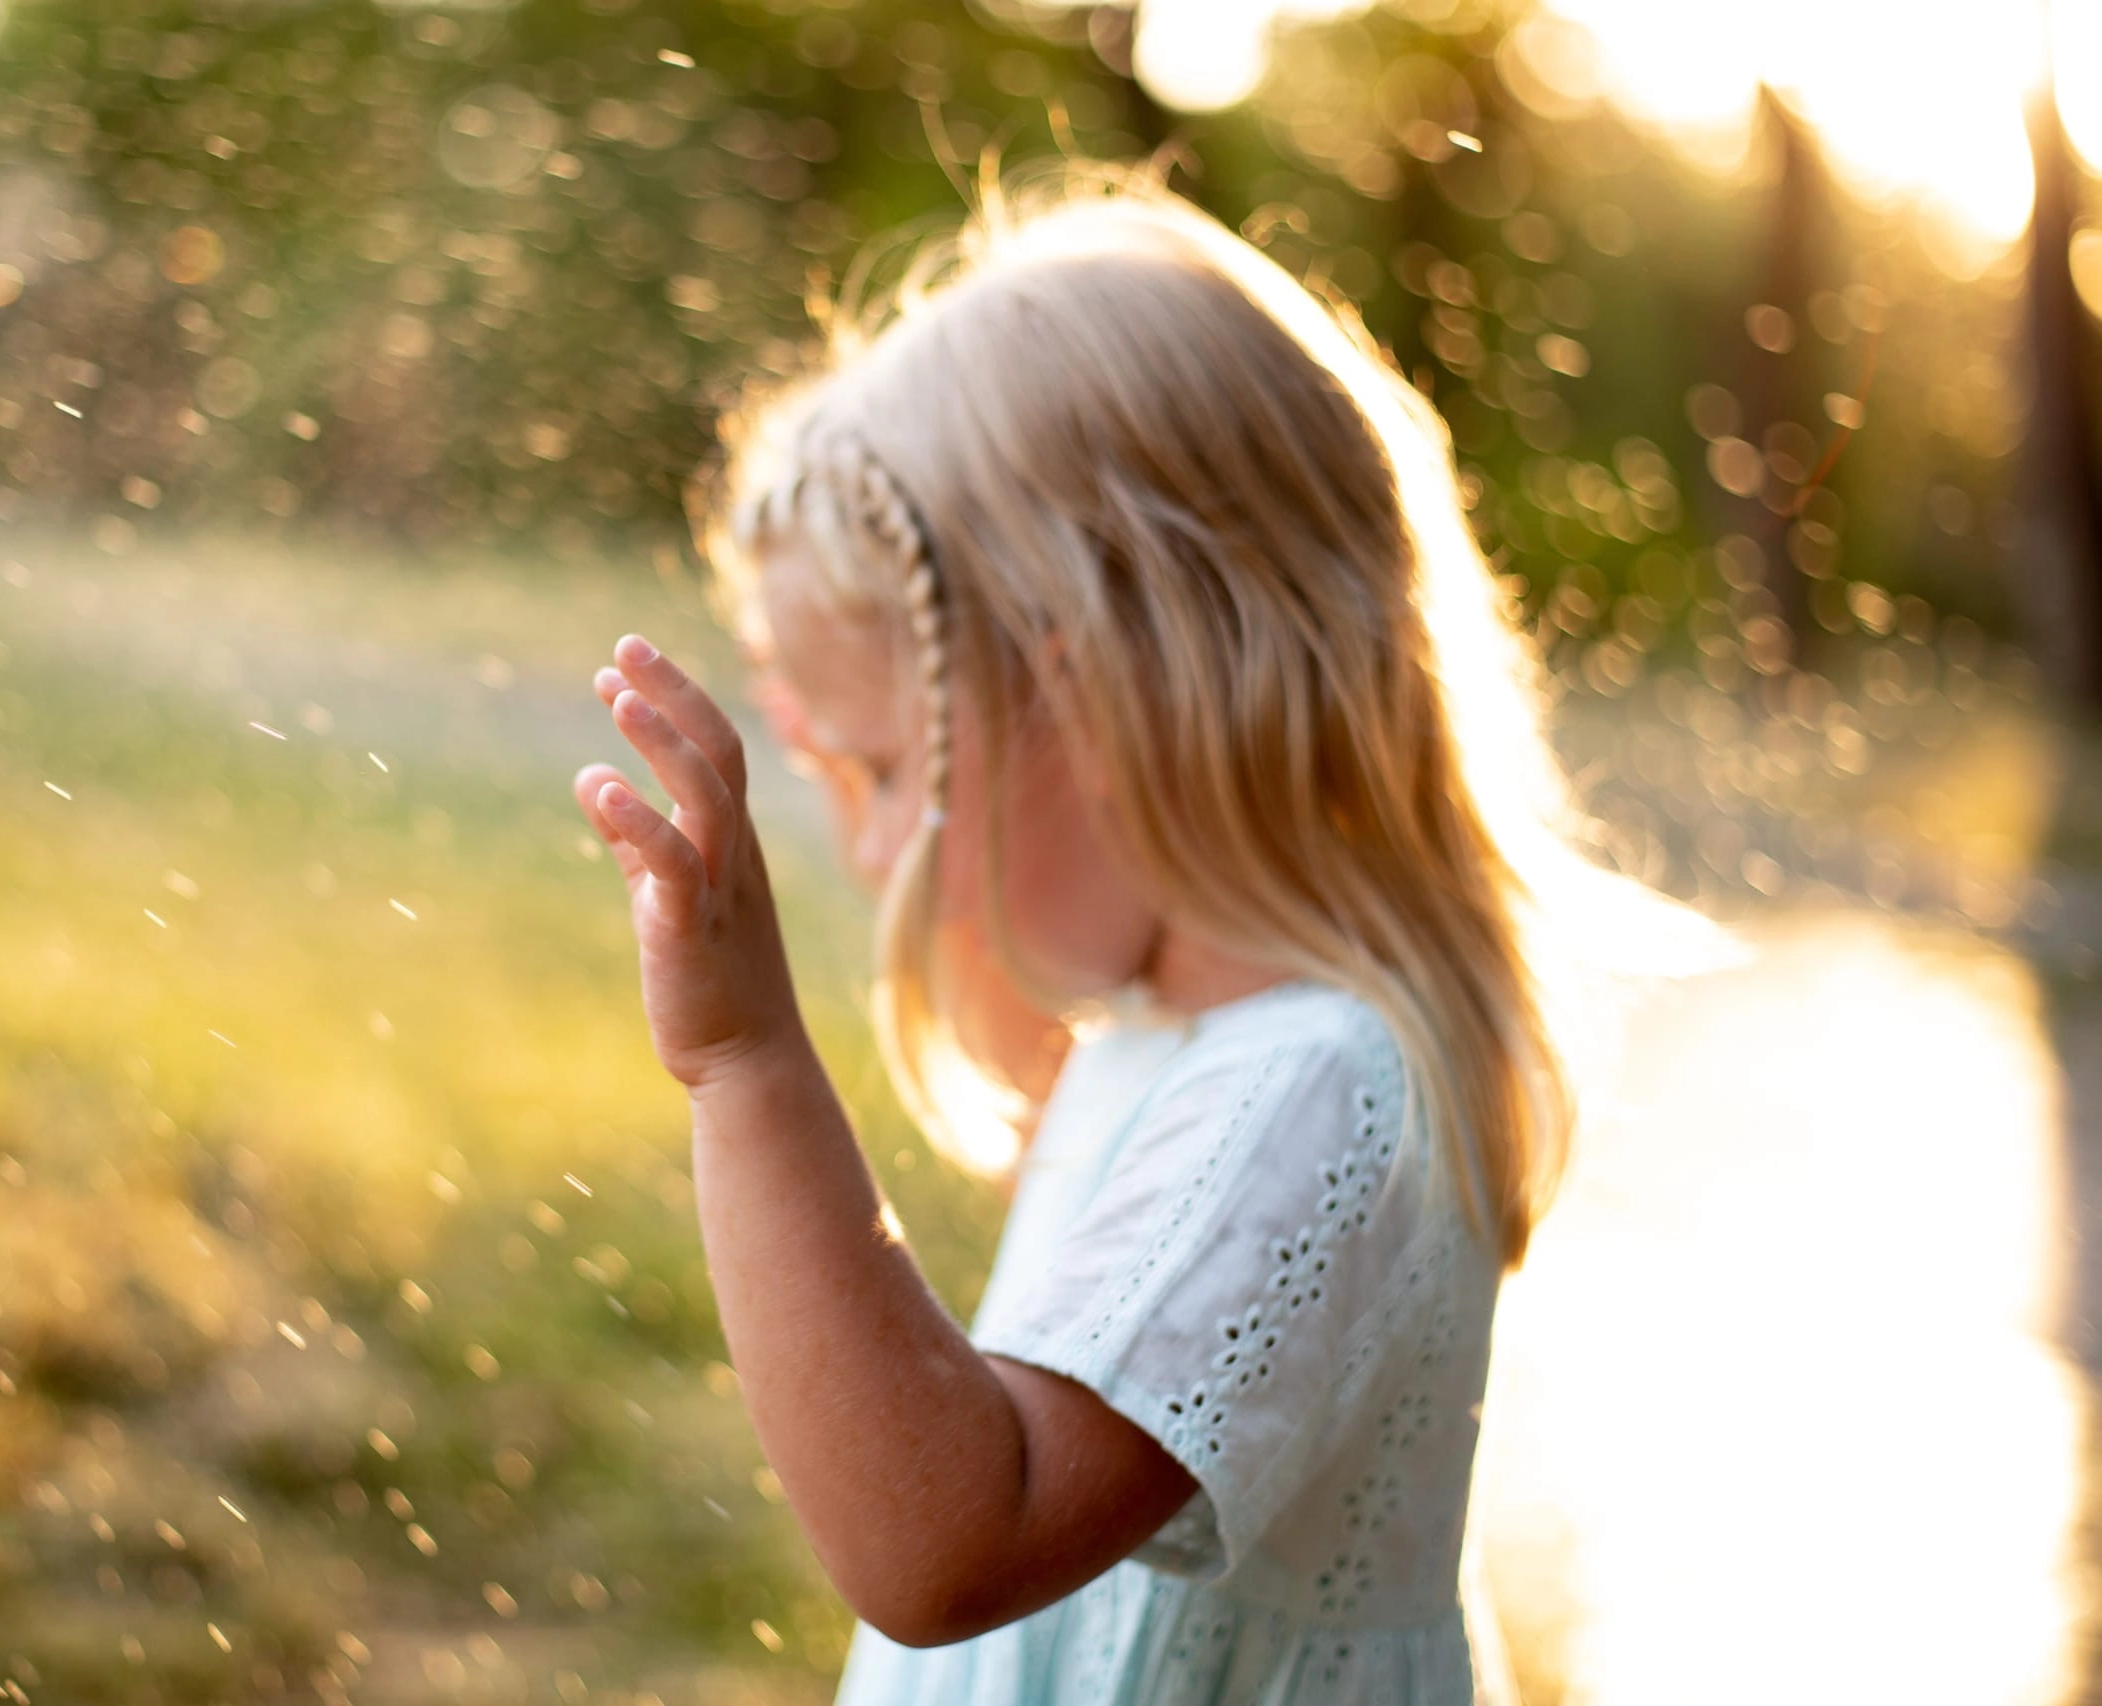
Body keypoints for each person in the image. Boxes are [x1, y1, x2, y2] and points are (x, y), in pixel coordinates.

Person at [570, 170, 1680, 1705]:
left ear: (1099, 697)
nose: (872, 847)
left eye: (895, 769)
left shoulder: (1318, 1090)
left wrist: (745, 1063)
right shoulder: (1183, 1039)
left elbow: (946, 1538)